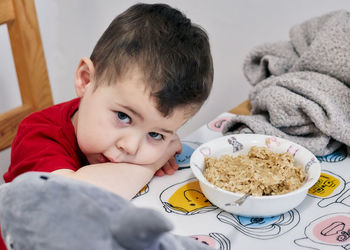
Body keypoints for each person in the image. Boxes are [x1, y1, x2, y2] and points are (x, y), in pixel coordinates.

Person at [3, 3, 213, 200]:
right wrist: (150, 165)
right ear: (86, 80)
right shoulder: (37, 136)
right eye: (123, 116)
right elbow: (72, 202)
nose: (130, 147)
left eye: (156, 134)